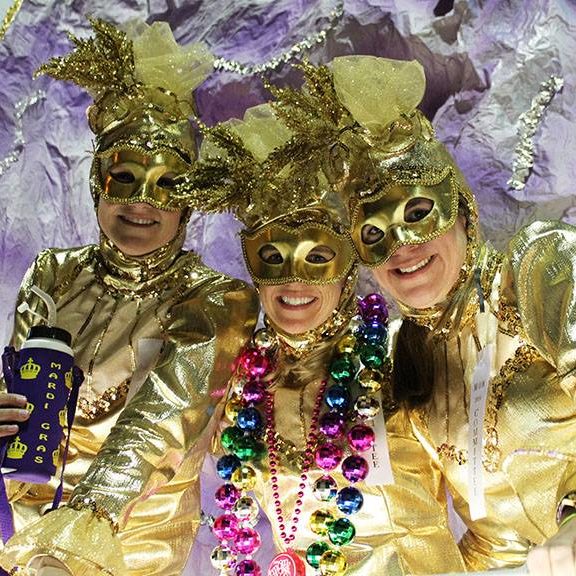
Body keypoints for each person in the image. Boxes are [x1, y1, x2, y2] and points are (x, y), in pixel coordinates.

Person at [282, 55, 576, 575]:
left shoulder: (538, 268)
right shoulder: (408, 358)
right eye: (374, 233)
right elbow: (492, 536)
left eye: (417, 213)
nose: (402, 245)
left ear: (464, 210)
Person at [0, 18, 258, 576]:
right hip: (29, 535)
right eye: (125, 176)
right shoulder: (52, 275)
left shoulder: (217, 301)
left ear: (187, 204)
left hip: (133, 543)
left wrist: (73, 540)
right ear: (98, 183)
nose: (143, 200)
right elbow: (19, 399)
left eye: (167, 184)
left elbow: (157, 424)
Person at [185, 104, 466, 575]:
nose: (294, 282)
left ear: (349, 270)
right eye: (273, 258)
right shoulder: (238, 383)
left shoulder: (402, 353)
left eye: (317, 257)